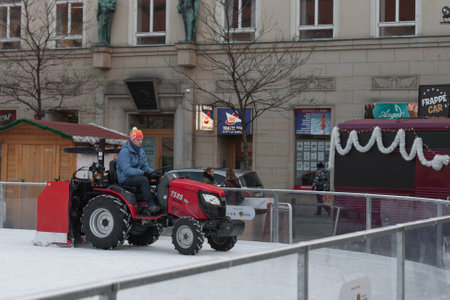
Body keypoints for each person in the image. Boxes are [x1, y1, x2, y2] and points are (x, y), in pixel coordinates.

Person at [116, 127, 161, 216]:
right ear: (132, 140)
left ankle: (159, 202)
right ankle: (151, 205)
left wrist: (153, 173)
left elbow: (145, 167)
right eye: (138, 140)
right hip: (125, 178)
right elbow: (127, 170)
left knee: (157, 179)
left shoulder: (140, 151)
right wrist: (143, 173)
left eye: (141, 139)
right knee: (144, 180)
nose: (140, 142)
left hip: (135, 176)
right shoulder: (125, 152)